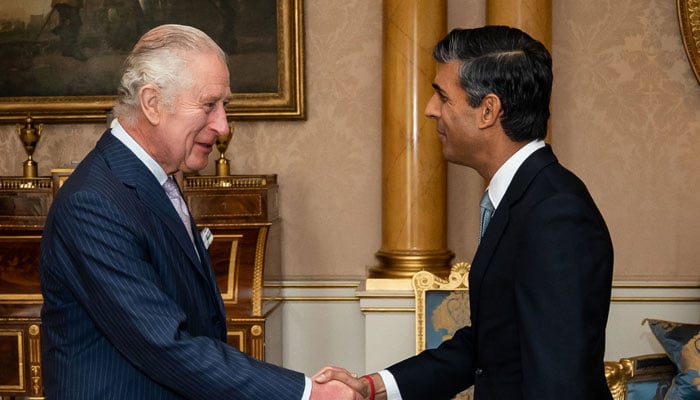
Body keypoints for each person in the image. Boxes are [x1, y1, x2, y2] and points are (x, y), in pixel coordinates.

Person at [39, 24, 361, 400]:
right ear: (152, 103)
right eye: (209, 105)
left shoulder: (156, 178)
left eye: (225, 106)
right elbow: (164, 345)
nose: (222, 126)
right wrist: (307, 393)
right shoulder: (93, 204)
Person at [316, 25, 615, 400]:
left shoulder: (556, 213)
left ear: (488, 110)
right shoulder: (523, 196)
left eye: (442, 96)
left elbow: (559, 384)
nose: (430, 109)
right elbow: (489, 348)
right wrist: (374, 386)